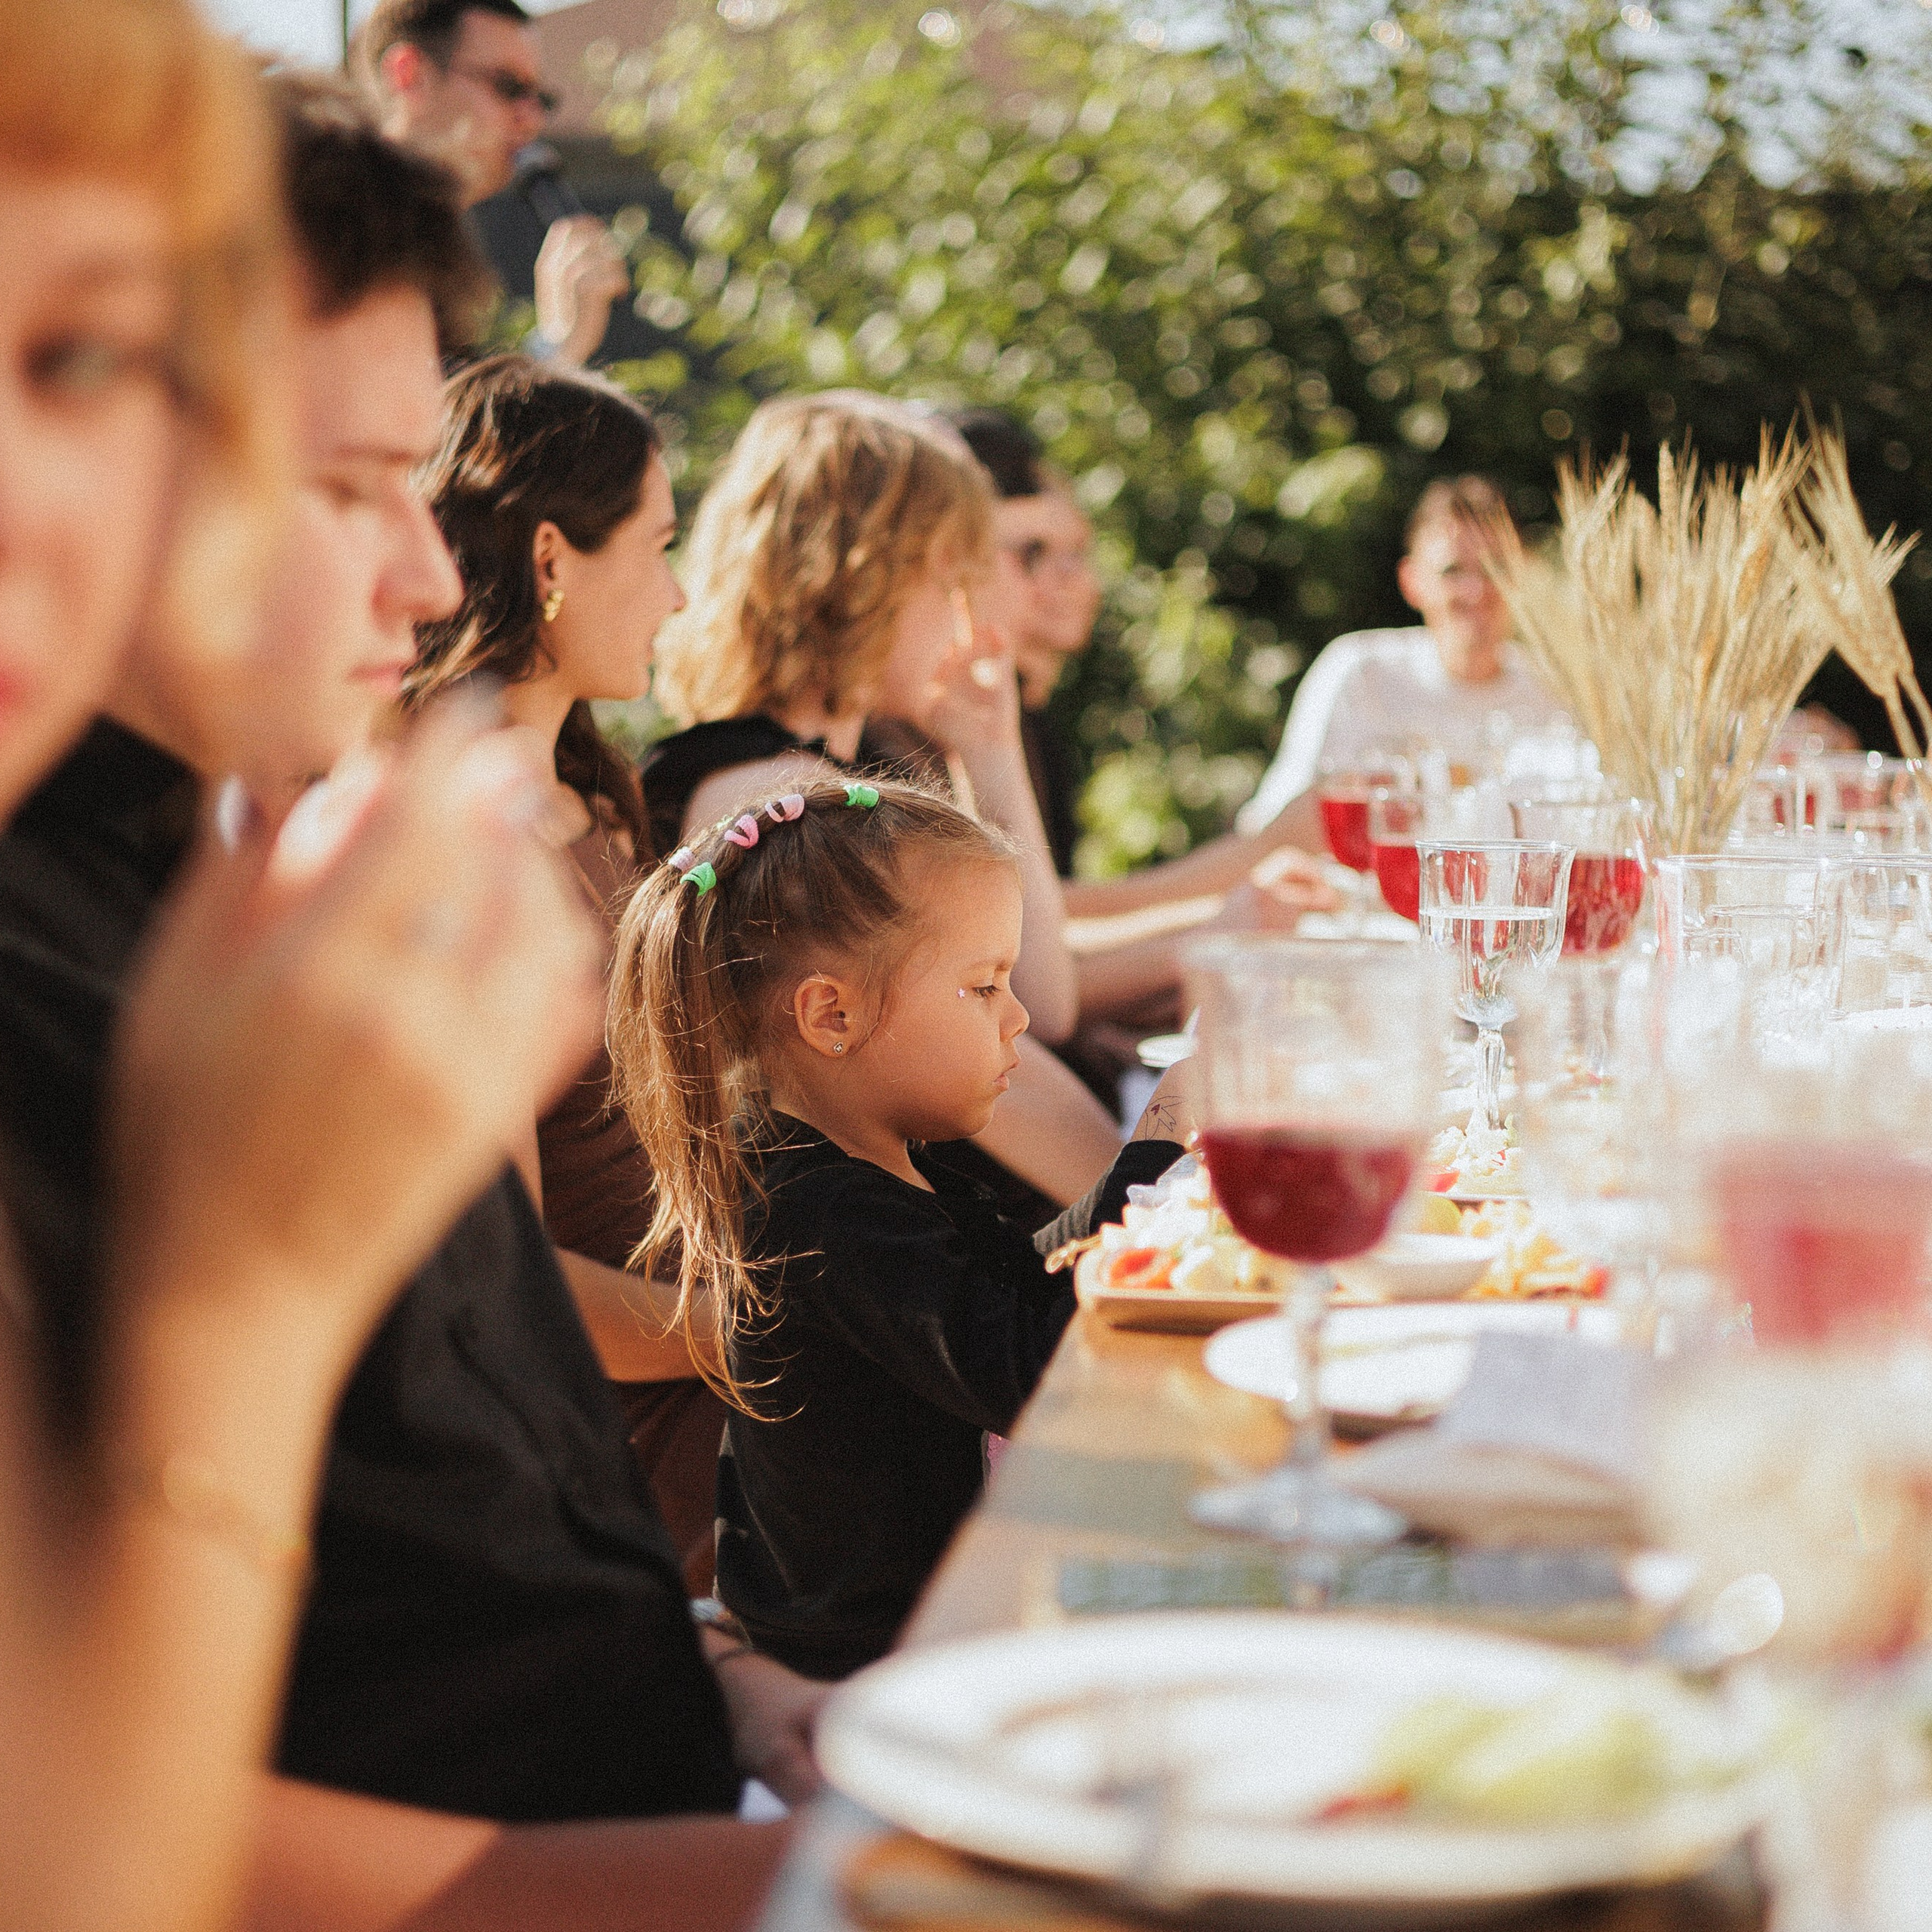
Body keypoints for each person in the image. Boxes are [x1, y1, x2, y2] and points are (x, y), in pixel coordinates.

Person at [0, 72, 809, 1932]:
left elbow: (498, 1483)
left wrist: (726, 1677)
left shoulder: (255, 888)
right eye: (347, 484)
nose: (425, 574)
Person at [610, 777, 1187, 1678]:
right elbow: (1034, 1371)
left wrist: (1149, 1172)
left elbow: (1018, 1285)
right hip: (861, 1676)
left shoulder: (890, 1161)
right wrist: (1149, 1160)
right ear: (831, 1014)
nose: (1019, 1017)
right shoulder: (812, 1209)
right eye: (982, 986)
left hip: (941, 1626)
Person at [408, 352, 727, 1587]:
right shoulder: (456, 859)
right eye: (655, 548)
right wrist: (783, 1339)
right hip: (648, 1468)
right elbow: (510, 1287)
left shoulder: (591, 801)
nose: (681, 597)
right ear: (549, 562)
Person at [647, 389, 1122, 1211]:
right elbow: (1030, 1033)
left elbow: (1043, 997)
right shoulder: (783, 799)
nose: (970, 622)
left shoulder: (836, 768)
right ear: (864, 578)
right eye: (950, 583)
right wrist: (1153, 1184)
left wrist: (990, 748)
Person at [1238, 476, 1573, 841]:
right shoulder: (1361, 672)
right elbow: (1269, 831)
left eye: (1496, 568)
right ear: (1412, 582)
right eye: (1453, 571)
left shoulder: (1557, 689)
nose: (1477, 591)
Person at [355, 0, 629, 368]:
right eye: (508, 87)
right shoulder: (339, 235)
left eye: (540, 98)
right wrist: (556, 347)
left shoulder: (417, 236)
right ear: (409, 74)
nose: (531, 120)